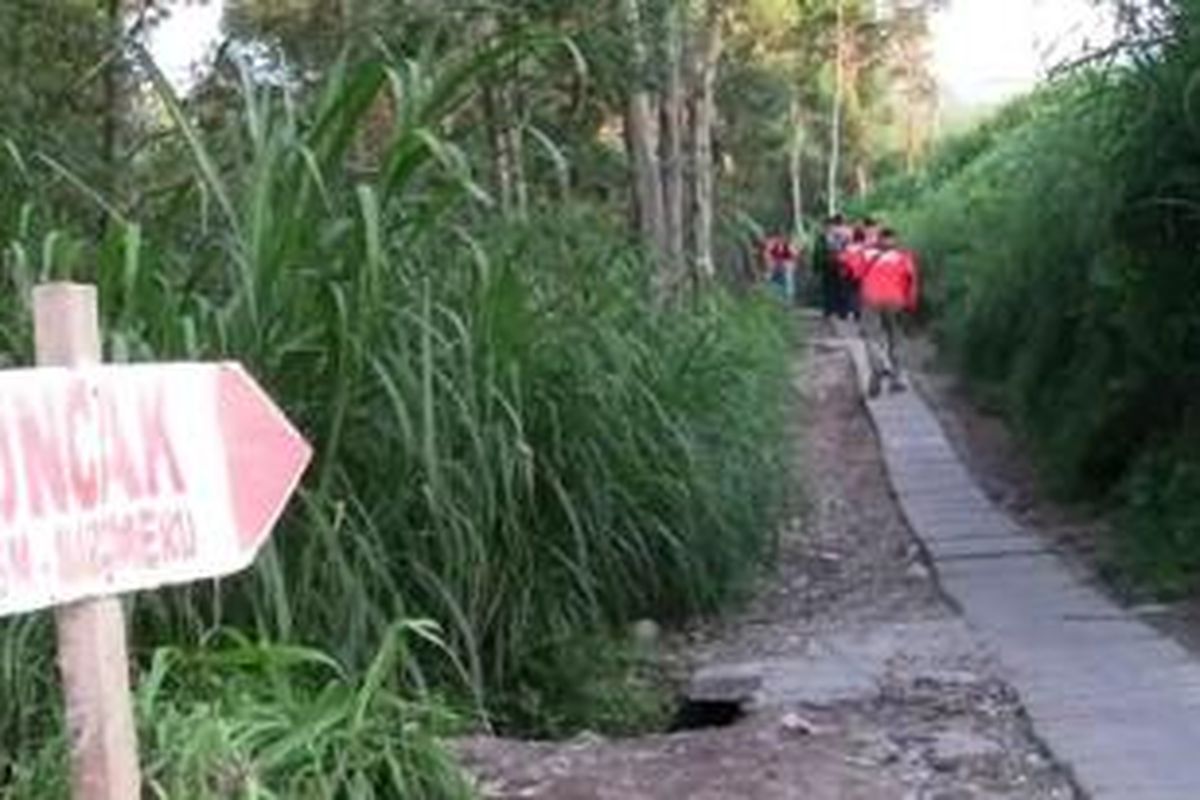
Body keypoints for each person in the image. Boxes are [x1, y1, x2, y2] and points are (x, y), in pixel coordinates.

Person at [857, 228, 919, 397]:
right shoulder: (904, 257)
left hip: (870, 298)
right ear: (895, 240)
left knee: (870, 336)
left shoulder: (867, 254)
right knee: (895, 336)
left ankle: (878, 365)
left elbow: (856, 274)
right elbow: (912, 282)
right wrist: (911, 304)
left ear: (879, 239)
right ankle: (897, 378)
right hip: (895, 300)